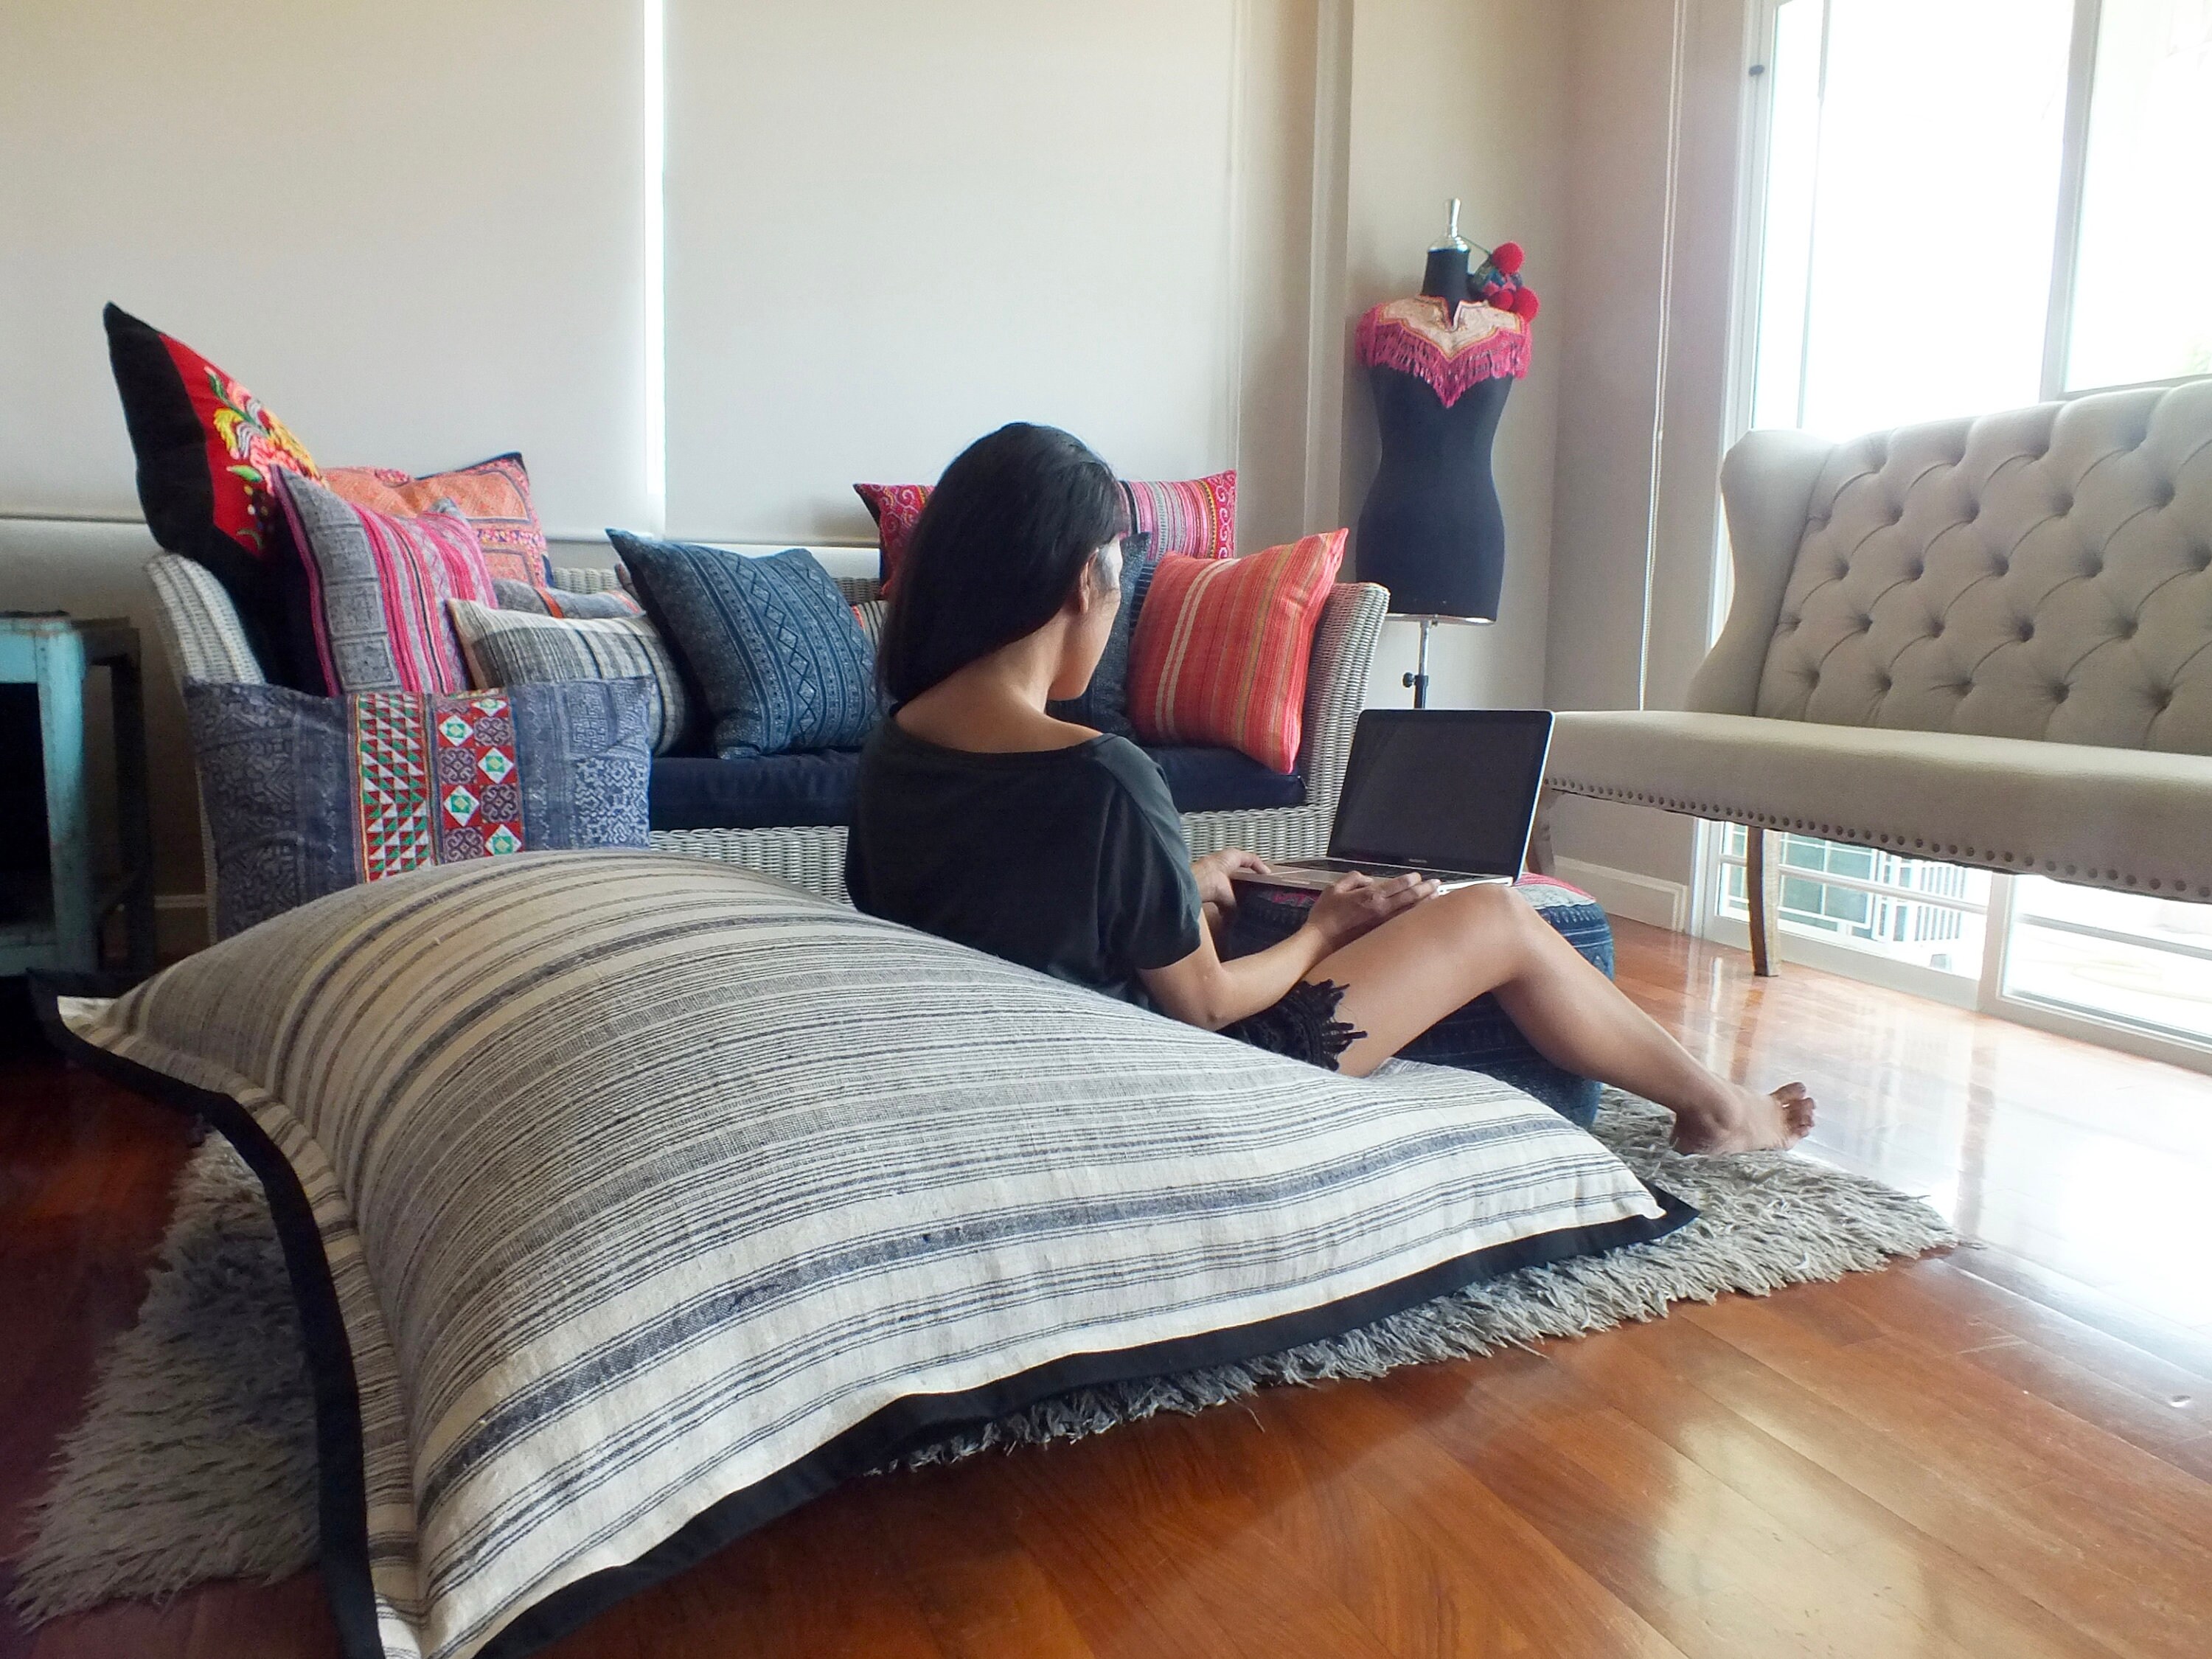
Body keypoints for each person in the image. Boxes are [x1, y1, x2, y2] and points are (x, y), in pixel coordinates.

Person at [846, 423, 1814, 1154]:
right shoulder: (1101, 774)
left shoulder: (895, 749)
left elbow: (1001, 896)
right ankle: (1719, 1108)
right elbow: (1210, 1009)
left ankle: (1705, 1097)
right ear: (1079, 583)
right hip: (1177, 1078)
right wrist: (1326, 929)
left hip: (1043, 1054)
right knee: (1496, 917)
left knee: (1259, 900)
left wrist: (1175, 875)